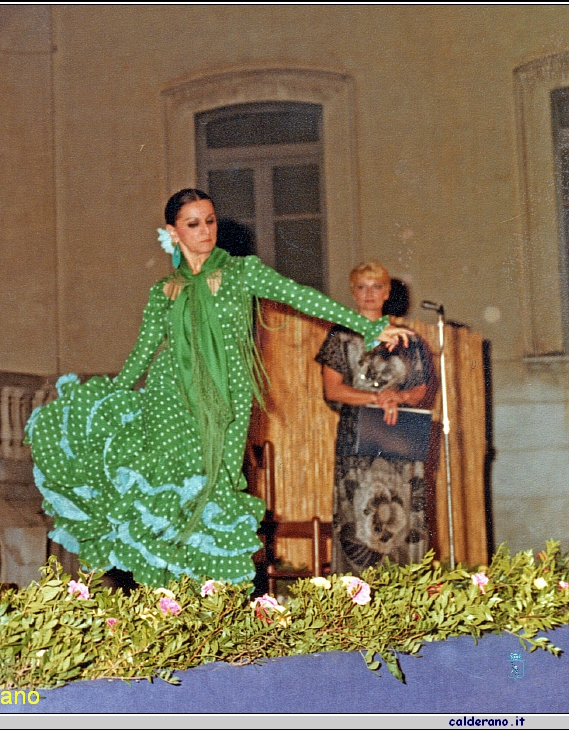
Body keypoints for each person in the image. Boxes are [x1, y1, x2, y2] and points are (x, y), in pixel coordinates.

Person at [26, 189, 413, 587]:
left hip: (227, 396)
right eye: (193, 224)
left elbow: (302, 297)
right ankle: (169, 594)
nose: (205, 231)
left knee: (217, 485)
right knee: (174, 487)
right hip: (170, 396)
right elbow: (142, 353)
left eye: (210, 221)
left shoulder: (242, 272)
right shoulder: (164, 291)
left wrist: (367, 325)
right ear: (172, 232)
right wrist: (109, 398)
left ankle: (206, 594)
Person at [316, 261, 435, 575]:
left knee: (406, 511)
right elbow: (333, 389)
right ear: (353, 293)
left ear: (387, 293)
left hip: (401, 435)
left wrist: (400, 396)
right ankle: (357, 599)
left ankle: (408, 599)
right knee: (358, 514)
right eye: (361, 287)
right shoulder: (341, 338)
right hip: (358, 440)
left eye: (376, 286)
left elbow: (421, 387)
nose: (369, 294)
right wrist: (376, 397)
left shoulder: (409, 339)